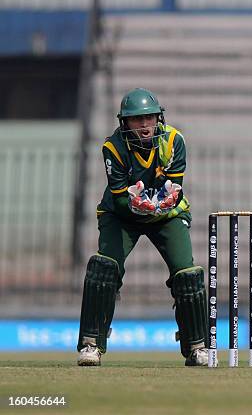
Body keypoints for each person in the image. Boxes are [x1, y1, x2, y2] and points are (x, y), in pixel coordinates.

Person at [76, 88, 208, 367]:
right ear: (125, 122)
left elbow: (176, 186)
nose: (144, 125)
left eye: (149, 118)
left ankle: (197, 347)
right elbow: (121, 199)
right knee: (104, 268)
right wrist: (137, 205)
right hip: (122, 215)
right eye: (137, 120)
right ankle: (91, 344)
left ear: (158, 118)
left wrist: (166, 201)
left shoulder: (174, 140)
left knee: (187, 272)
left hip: (166, 214)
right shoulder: (113, 147)